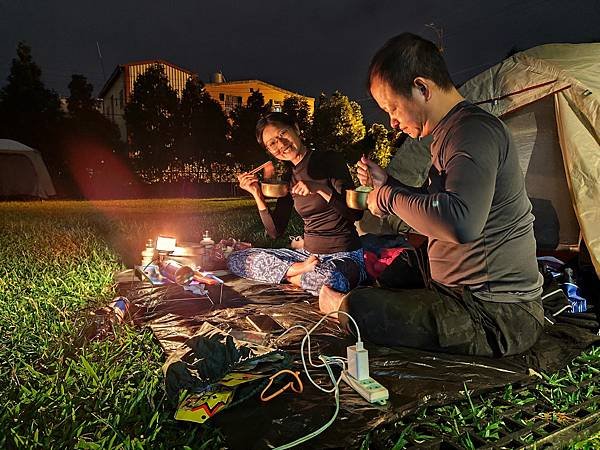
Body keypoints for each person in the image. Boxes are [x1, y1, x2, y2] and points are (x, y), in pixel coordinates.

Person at [320, 33, 544, 357]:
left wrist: (385, 197)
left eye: (393, 108)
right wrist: (391, 184)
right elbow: (437, 203)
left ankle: (344, 307)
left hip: (496, 314)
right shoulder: (450, 133)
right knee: (399, 269)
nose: (393, 123)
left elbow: (460, 222)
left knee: (359, 307)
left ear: (422, 88)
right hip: (458, 286)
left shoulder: (473, 132)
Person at [227, 112, 367, 296]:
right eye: (272, 143)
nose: (281, 144)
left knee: (330, 278)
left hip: (344, 256)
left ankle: (292, 276)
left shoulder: (329, 160)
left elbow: (355, 214)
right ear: (269, 151)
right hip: (307, 257)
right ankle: (297, 271)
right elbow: (275, 231)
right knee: (237, 259)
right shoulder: (289, 178)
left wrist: (319, 188)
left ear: (297, 129)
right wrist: (257, 194)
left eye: (283, 134)